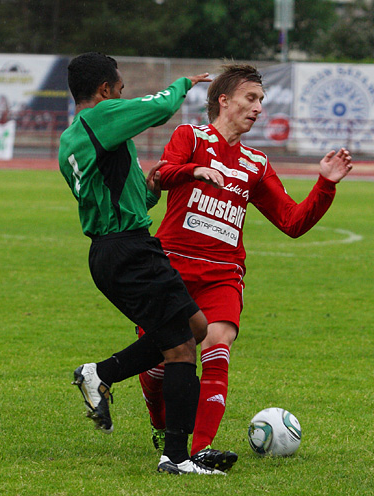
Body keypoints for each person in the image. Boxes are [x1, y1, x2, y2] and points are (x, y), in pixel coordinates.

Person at [137, 64, 353, 471]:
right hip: (172, 268)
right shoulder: (191, 137)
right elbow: (162, 174)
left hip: (222, 273)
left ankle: (198, 450)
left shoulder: (255, 163)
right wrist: (195, 170)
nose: (258, 108)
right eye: (250, 99)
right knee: (159, 362)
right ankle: (162, 424)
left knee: (217, 345)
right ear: (224, 100)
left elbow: (292, 222)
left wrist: (325, 184)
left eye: (261, 101)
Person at [58, 52, 224, 475]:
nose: (122, 93)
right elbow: (161, 108)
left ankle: (101, 373)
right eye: (119, 87)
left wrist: (149, 191)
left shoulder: (72, 140)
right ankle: (176, 457)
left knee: (196, 327)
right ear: (103, 90)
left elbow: (115, 193)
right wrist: (184, 83)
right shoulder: (102, 118)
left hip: (113, 249)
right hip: (129, 249)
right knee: (182, 347)